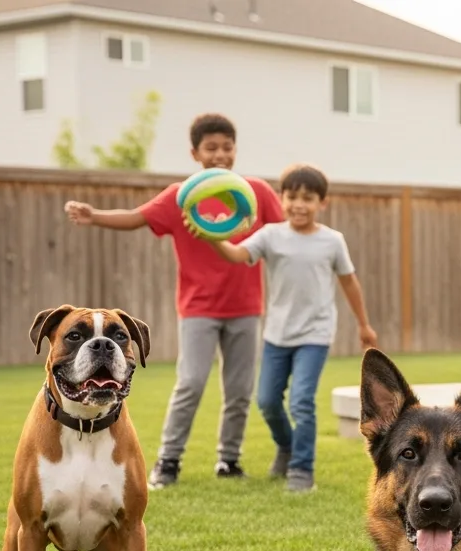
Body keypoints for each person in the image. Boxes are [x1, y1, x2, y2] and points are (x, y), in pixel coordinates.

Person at [64, 113, 284, 489]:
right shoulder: (181, 197)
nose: (220, 155)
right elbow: (136, 217)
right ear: (195, 152)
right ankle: (168, 461)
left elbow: (284, 236)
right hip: (198, 308)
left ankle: (228, 460)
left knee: (239, 390)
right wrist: (94, 215)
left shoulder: (256, 194)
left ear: (235, 150)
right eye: (211, 148)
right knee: (191, 382)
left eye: (227, 147)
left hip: (246, 308)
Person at [210, 163, 377, 493]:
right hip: (277, 334)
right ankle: (286, 447)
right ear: (281, 198)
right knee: (268, 402)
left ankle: (302, 470)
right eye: (292, 197)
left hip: (314, 334)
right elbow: (234, 253)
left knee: (301, 401)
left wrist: (364, 325)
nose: (299, 204)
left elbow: (350, 283)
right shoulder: (271, 235)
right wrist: (213, 235)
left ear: (322, 203)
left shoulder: (332, 241)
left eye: (308, 198)